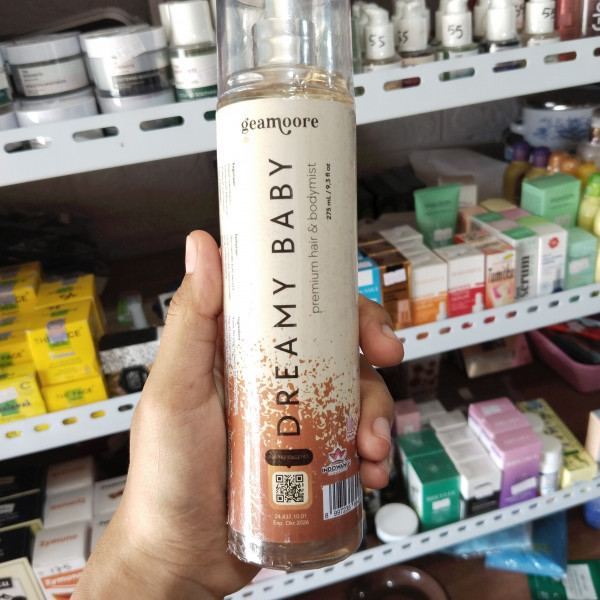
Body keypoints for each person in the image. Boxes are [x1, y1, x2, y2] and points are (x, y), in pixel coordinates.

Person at [72, 230, 404, 600]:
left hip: (323, 516)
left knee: (322, 318)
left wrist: (152, 566)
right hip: (235, 530)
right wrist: (154, 561)